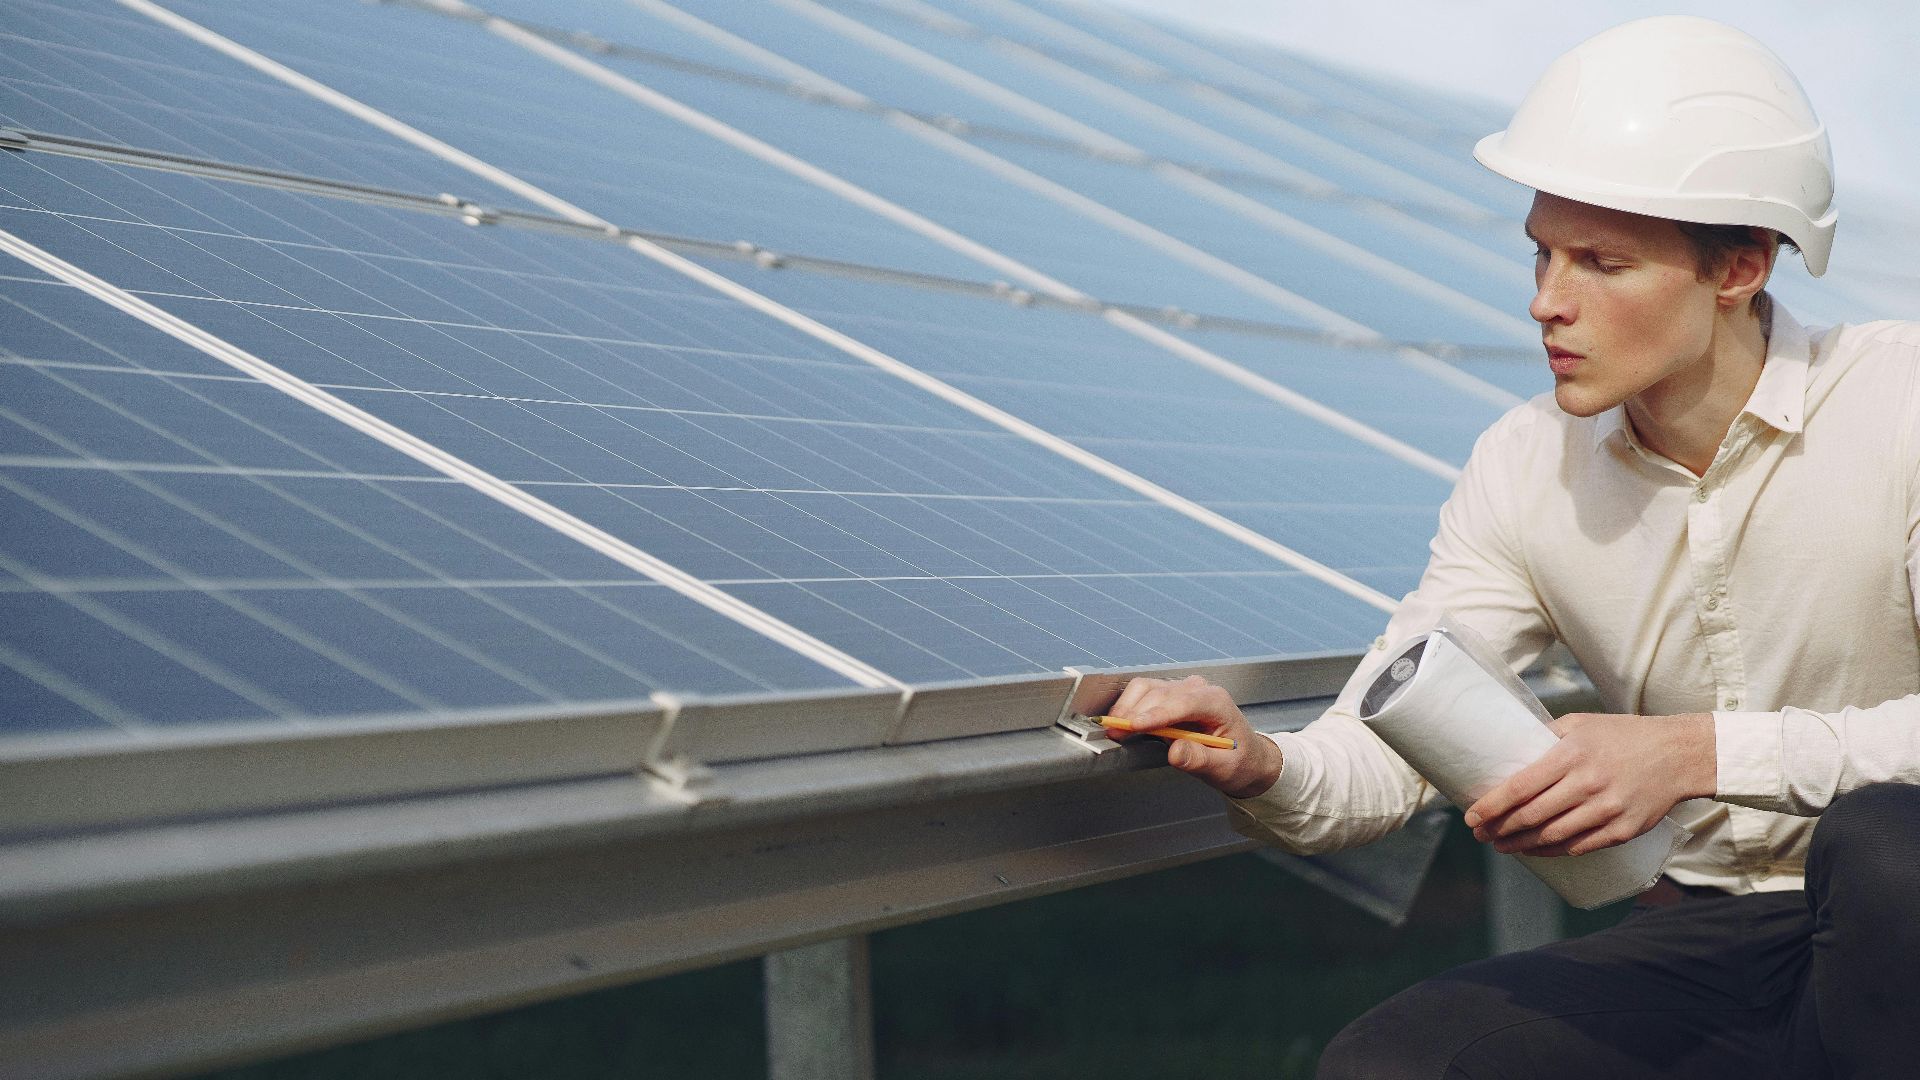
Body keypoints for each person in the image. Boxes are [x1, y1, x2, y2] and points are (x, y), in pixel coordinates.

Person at [1103, 16, 1920, 1079]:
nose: (1547, 301)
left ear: (1740, 266)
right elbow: (1382, 747)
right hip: (1724, 936)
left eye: (1601, 261)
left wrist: (1692, 753)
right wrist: (1260, 761)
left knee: (1887, 849)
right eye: (1541, 253)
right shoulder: (1522, 467)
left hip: (1905, 914)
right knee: (1398, 1064)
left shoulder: (1900, 405)